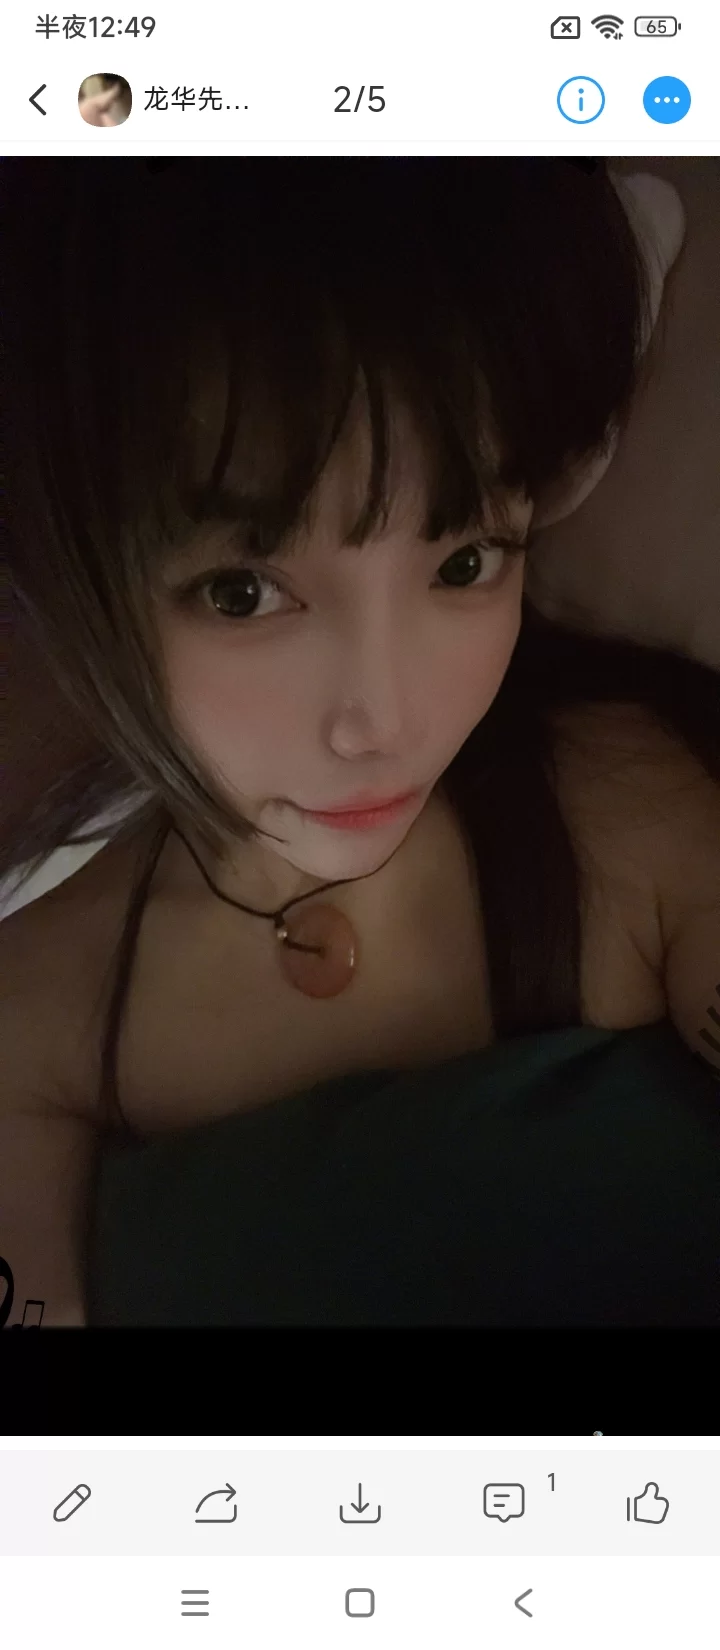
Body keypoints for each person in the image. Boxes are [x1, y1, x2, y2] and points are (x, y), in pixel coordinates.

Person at [2, 157, 719, 1328]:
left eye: (465, 561)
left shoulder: (630, 811)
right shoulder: (35, 1014)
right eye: (241, 592)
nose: (385, 723)